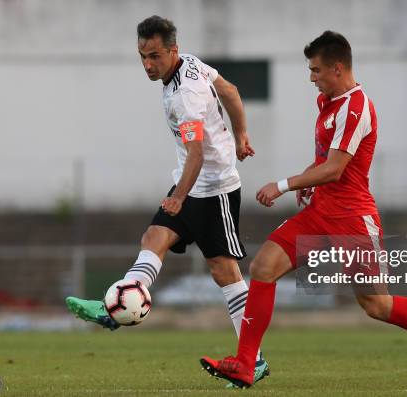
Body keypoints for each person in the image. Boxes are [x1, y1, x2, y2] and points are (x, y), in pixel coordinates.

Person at [199, 31, 407, 388]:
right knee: (263, 267)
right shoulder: (327, 102)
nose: (311, 78)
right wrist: (308, 185)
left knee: (377, 304)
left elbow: (335, 169)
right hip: (320, 213)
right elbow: (324, 160)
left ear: (337, 68)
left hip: (352, 219)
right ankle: (244, 362)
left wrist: (285, 185)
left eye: (316, 70)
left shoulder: (357, 105)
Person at [65, 15, 269, 386]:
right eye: (142, 55)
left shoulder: (185, 96)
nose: (147, 64)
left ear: (172, 50)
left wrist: (179, 197)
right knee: (153, 239)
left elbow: (197, 155)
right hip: (191, 184)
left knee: (224, 271)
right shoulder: (189, 63)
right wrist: (240, 134)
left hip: (213, 189)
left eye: (154, 56)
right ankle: (118, 306)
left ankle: (252, 359)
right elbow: (232, 91)